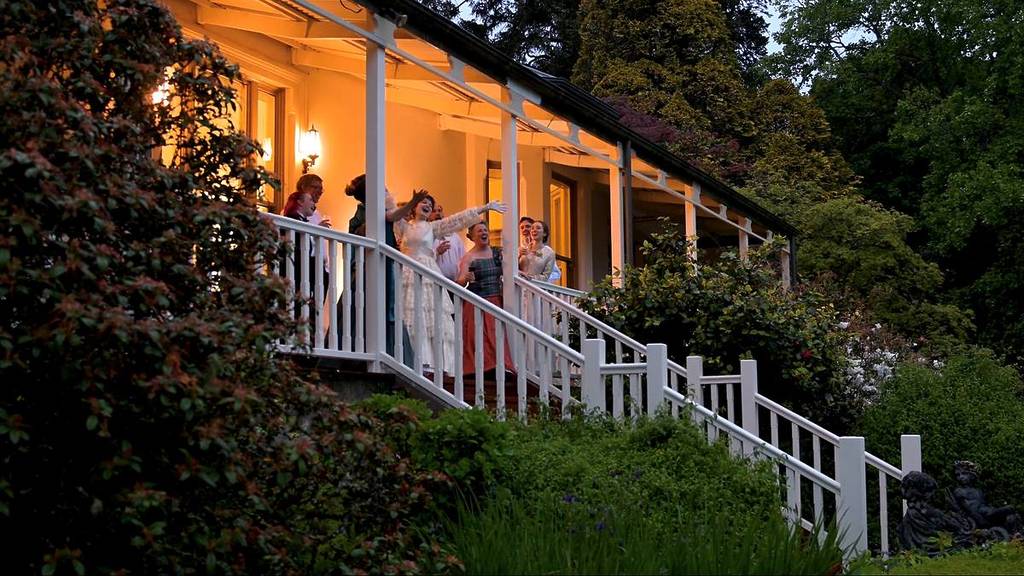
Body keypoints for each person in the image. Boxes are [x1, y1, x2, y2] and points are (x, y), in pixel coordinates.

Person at [395, 194, 506, 375]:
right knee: (410, 314)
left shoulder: (432, 227)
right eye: (423, 202)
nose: (427, 205)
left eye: (430, 204)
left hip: (428, 275)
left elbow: (458, 220)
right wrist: (410, 202)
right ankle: (409, 357)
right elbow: (393, 214)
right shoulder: (403, 226)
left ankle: (431, 362)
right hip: (407, 272)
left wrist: (484, 208)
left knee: (431, 317)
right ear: (414, 207)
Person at [344, 175, 426, 359]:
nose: (388, 191)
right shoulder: (366, 214)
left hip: (385, 266)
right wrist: (412, 202)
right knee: (368, 306)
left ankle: (388, 351)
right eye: (384, 189)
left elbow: (392, 215)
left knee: (386, 305)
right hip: (370, 269)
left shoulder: (378, 211)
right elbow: (390, 216)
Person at [456, 221, 514, 376]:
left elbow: (510, 271)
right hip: (478, 300)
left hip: (495, 299)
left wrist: (521, 274)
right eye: (479, 231)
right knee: (479, 336)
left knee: (496, 335)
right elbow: (460, 281)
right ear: (472, 236)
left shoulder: (497, 253)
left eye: (485, 230)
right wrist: (465, 278)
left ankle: (498, 366)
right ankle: (480, 368)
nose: (483, 233)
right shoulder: (469, 257)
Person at [431, 203, 465, 282]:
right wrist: (437, 252)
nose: (437, 213)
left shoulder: (454, 236)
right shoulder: (427, 236)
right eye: (434, 211)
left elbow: (463, 258)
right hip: (435, 283)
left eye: (439, 211)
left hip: (454, 284)